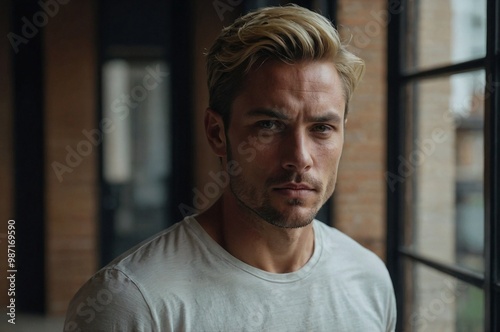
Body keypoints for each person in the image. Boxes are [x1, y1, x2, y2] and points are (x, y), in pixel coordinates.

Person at [64, 5, 396, 331]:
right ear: (216, 133)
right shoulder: (132, 302)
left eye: (321, 128)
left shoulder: (368, 278)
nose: (300, 156)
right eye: (268, 125)